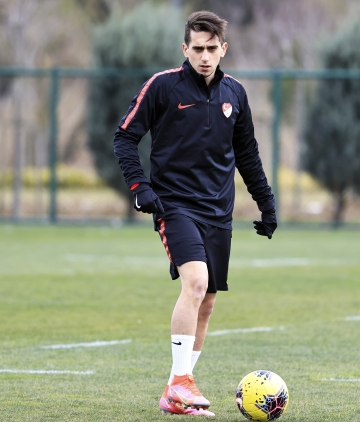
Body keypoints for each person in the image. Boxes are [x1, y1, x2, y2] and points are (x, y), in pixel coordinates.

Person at [113, 10, 277, 418]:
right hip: (174, 205)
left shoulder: (235, 93)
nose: (204, 56)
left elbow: (247, 154)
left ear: (224, 49)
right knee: (196, 281)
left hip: (219, 210)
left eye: (211, 48)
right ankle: (183, 382)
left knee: (208, 300)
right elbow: (125, 137)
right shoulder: (163, 86)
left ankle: (176, 391)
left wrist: (266, 202)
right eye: (197, 48)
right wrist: (140, 187)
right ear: (185, 49)